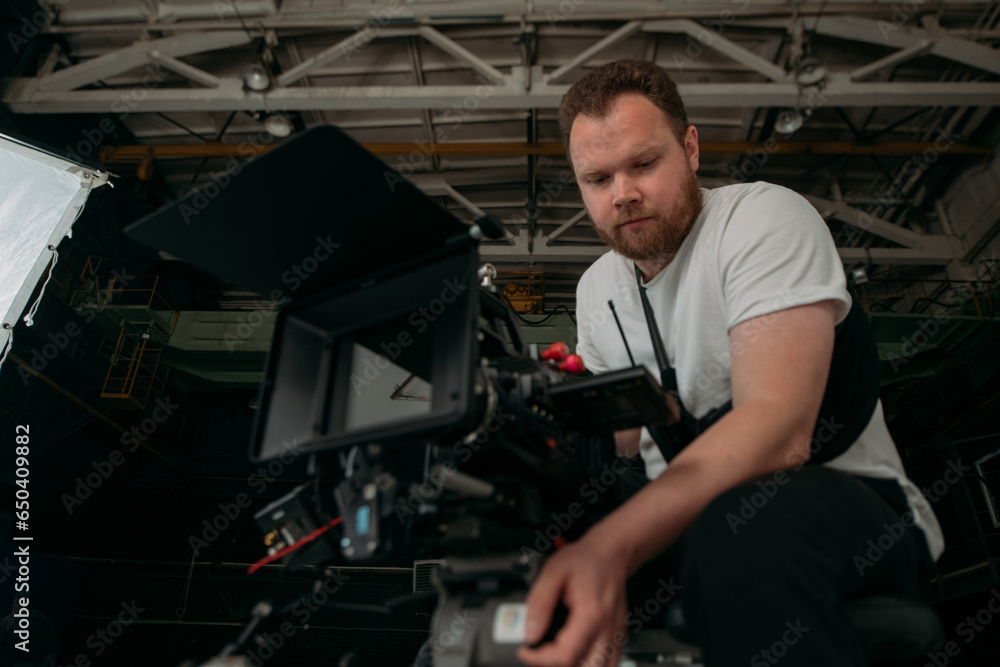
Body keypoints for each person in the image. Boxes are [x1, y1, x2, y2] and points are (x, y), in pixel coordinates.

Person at [516, 59, 944, 667]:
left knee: (739, 531)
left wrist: (611, 547)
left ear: (690, 148)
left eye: (643, 164)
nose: (624, 193)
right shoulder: (597, 290)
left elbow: (778, 432)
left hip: (845, 504)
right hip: (688, 525)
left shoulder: (761, 219)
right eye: (597, 178)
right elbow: (614, 447)